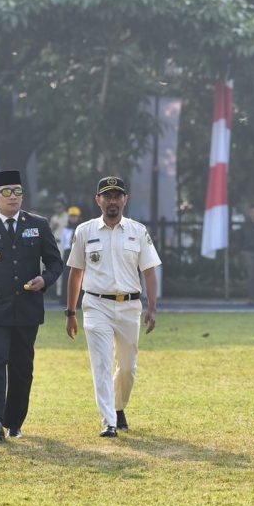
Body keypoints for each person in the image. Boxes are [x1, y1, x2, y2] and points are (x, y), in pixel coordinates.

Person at [0, 169, 63, 441]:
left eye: (17, 191)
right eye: (7, 192)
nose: (13, 197)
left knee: (21, 367)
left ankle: (14, 420)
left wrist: (45, 279)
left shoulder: (37, 224)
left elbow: (55, 262)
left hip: (27, 308)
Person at [64, 176, 161, 438]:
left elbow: (149, 272)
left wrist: (152, 308)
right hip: (96, 304)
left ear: (125, 200)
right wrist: (71, 312)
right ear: (98, 200)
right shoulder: (85, 231)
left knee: (128, 367)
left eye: (117, 196)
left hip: (129, 306)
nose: (112, 201)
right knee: (102, 363)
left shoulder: (138, 231)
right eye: (107, 196)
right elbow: (75, 273)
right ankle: (108, 421)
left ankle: (118, 408)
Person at [59, 206, 82, 302]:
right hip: (68, 252)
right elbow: (64, 242)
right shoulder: (66, 229)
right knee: (67, 276)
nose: (73, 218)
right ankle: (65, 299)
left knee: (79, 276)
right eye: (71, 216)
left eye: (75, 216)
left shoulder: (81, 229)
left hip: (79, 253)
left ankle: (79, 300)